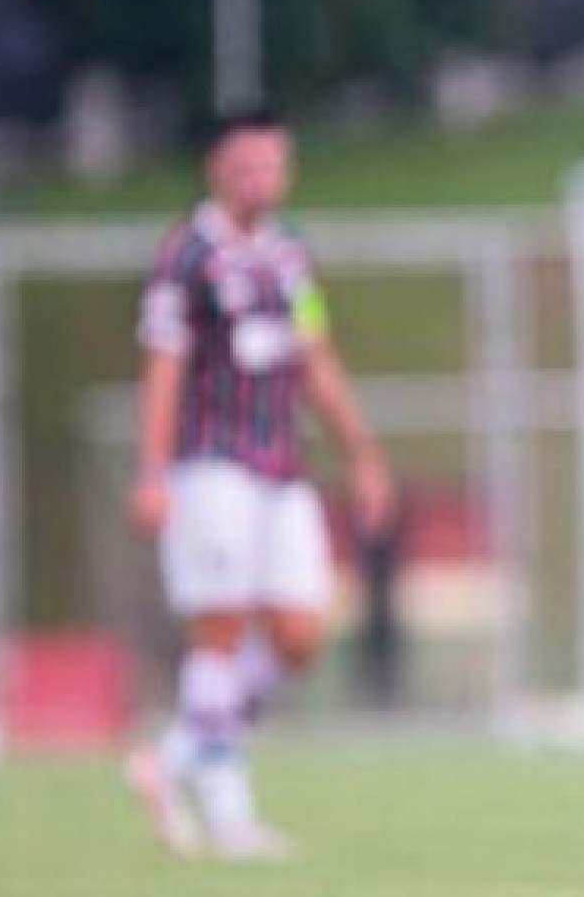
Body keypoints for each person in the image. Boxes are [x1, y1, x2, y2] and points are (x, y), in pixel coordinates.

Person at [124, 107, 393, 859]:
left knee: (300, 632)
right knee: (221, 627)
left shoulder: (289, 253)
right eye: (245, 166)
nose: (260, 179)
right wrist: (152, 469)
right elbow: (164, 364)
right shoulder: (188, 254)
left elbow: (315, 354)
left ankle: (172, 758)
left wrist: (362, 452)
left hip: (283, 467)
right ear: (216, 168)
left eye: (272, 164)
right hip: (211, 464)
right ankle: (229, 814)